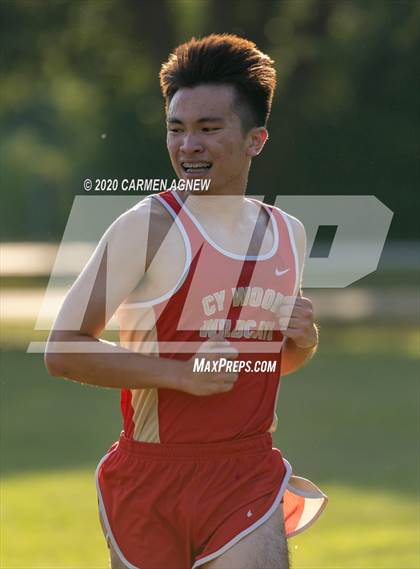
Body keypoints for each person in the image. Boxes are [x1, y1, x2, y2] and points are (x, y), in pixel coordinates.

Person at [45, 34, 327, 569]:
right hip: (150, 477)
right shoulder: (146, 228)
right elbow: (62, 349)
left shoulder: (287, 234)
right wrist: (179, 373)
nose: (187, 145)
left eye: (208, 128)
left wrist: (303, 344)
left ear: (256, 139)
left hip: (247, 473)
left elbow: (263, 366)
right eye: (176, 128)